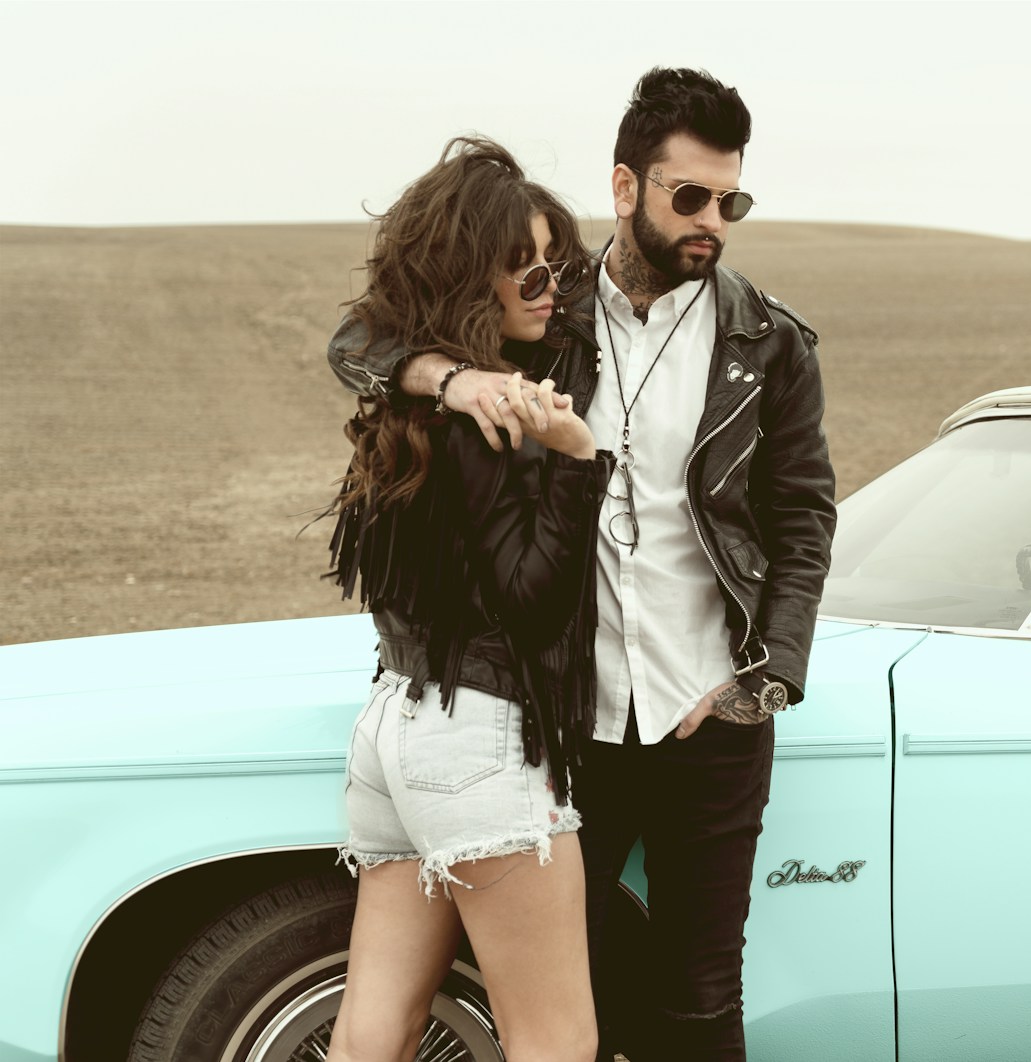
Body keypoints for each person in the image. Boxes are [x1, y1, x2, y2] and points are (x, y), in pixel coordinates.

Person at [327, 68, 837, 1061]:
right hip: (564, 713)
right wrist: (456, 376)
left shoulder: (765, 343)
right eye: (688, 197)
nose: (711, 223)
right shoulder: (543, 314)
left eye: (730, 203)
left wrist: (764, 678)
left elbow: (802, 518)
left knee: (698, 996)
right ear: (625, 186)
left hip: (707, 711)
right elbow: (361, 342)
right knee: (571, 1003)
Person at [322, 136, 610, 1062]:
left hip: (394, 730)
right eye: (518, 267)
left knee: (377, 1025)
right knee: (556, 1038)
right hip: (482, 742)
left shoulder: (411, 407)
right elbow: (529, 604)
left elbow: (361, 338)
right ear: (460, 278)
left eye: (552, 264)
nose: (546, 286)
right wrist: (574, 466)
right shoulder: (485, 418)